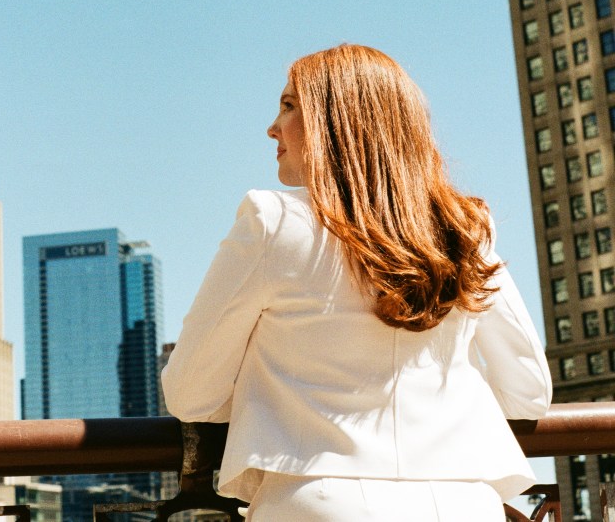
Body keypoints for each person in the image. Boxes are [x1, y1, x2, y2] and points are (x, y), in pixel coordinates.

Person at [161, 44, 552, 521]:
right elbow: (529, 391)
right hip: (464, 502)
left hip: (320, 502)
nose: (272, 127)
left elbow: (191, 393)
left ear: (335, 122)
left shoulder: (272, 221)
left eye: (289, 106)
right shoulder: (463, 228)